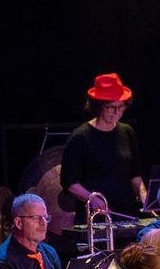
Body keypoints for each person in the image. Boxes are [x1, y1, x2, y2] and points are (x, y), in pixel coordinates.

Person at [60, 73, 147, 216]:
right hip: (96, 215)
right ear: (98, 106)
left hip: (127, 211)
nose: (117, 112)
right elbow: (69, 183)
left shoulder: (127, 131)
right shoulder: (80, 137)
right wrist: (92, 198)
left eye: (121, 106)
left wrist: (143, 194)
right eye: (111, 107)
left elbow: (135, 174)